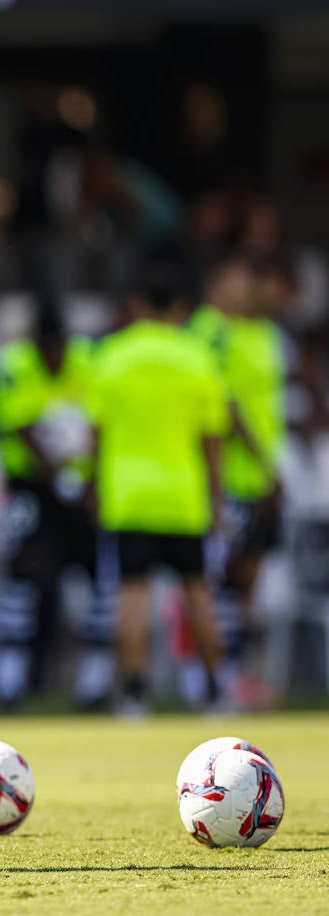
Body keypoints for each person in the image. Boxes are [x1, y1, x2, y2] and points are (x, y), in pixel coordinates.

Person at [86, 266, 227, 716]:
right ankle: (214, 693)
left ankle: (133, 694)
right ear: (181, 308)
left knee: (132, 595)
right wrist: (217, 498)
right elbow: (212, 439)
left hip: (128, 494)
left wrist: (92, 483)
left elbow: (96, 431)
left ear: (139, 305)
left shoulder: (112, 355)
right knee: (198, 593)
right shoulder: (198, 357)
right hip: (183, 495)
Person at [0, 306, 112, 712]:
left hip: (83, 487)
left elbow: (103, 424)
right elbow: (19, 427)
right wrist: (59, 477)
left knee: (98, 583)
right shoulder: (11, 366)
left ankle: (95, 685)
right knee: (21, 577)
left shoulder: (89, 361)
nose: (53, 357)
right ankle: (8, 683)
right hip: (32, 487)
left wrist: (89, 482)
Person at [188, 256, 287, 707]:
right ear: (217, 281)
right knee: (220, 581)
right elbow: (221, 405)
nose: (247, 288)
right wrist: (263, 465)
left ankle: (235, 676)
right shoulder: (209, 332)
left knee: (247, 582)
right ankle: (215, 681)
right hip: (231, 477)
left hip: (261, 477)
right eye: (240, 278)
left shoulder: (260, 333)